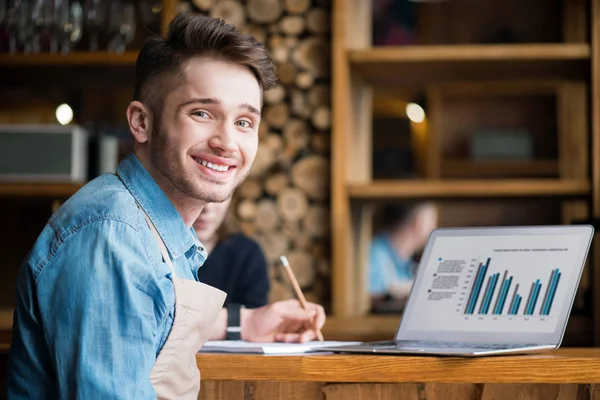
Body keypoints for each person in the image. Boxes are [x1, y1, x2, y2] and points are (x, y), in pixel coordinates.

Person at [6, 13, 325, 399]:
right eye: (202, 113)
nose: (227, 142)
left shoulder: (159, 231)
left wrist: (250, 322)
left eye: (244, 122)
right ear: (141, 122)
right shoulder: (112, 234)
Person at [194, 197, 270, 323]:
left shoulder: (248, 253)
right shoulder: (154, 251)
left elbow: (256, 319)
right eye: (195, 195)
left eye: (217, 195)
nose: (207, 208)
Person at [368, 202, 438, 312]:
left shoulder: (406, 262)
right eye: (433, 221)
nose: (435, 227)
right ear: (419, 224)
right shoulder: (373, 256)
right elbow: (374, 298)